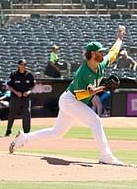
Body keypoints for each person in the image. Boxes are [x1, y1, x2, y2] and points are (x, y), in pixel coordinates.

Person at [9, 25, 126, 166]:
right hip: (71, 100)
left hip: (71, 101)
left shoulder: (100, 65)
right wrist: (101, 88)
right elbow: (81, 95)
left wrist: (120, 37)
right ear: (93, 54)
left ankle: (23, 139)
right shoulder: (82, 73)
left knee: (56, 133)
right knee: (95, 121)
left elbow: (113, 52)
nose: (102, 53)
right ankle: (105, 155)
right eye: (100, 52)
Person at [6, 59, 35, 137]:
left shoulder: (29, 75)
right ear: (18, 65)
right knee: (12, 114)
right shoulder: (14, 74)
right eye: (22, 64)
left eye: (25, 64)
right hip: (15, 98)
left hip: (26, 98)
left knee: (26, 114)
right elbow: (9, 85)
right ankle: (8, 131)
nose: (23, 66)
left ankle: (27, 132)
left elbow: (32, 86)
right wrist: (16, 92)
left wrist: (28, 92)